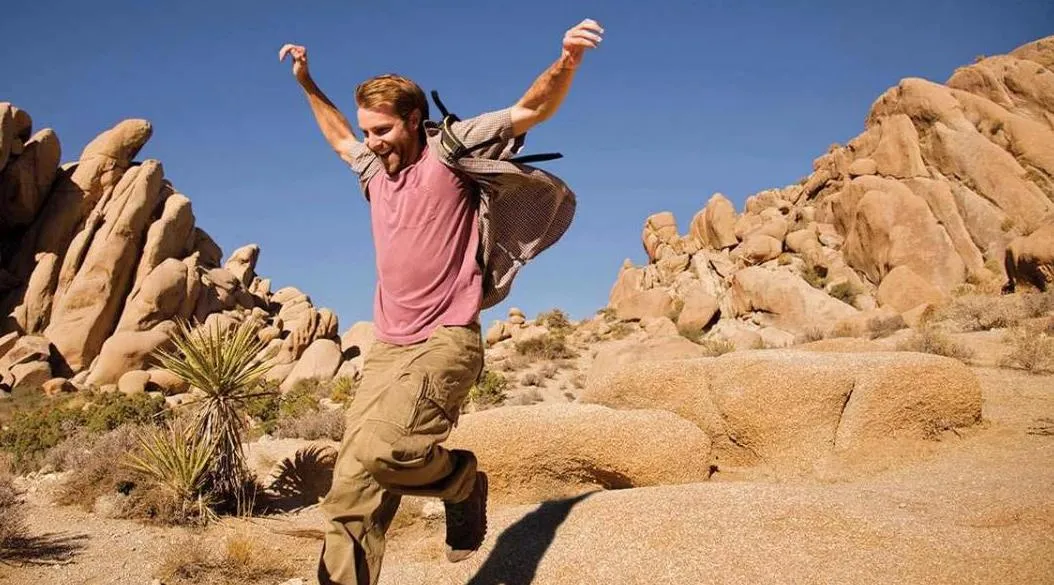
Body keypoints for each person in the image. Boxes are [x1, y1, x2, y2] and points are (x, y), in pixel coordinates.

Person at [279, 17, 603, 585]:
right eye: (368, 131)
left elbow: (530, 109)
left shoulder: (450, 150)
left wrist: (567, 61)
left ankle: (460, 482)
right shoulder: (372, 170)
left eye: (383, 130)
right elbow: (337, 136)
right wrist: (308, 83)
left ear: (412, 120)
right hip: (387, 348)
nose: (373, 142)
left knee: (385, 450)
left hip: (445, 338)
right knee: (349, 490)